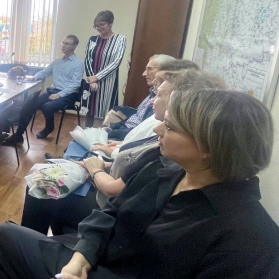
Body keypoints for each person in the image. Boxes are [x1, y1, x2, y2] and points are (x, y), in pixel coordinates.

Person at [0, 88, 279, 279]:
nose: (158, 129)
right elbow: (110, 213)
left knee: (2, 243)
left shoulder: (251, 242)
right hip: (95, 263)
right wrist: (81, 258)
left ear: (207, 147)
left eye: (171, 126)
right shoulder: (168, 169)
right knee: (3, 256)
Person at [21, 70, 225, 235]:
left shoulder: (166, 156)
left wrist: (95, 169)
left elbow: (115, 195)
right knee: (49, 178)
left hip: (107, 203)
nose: (153, 99)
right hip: (109, 190)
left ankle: (35, 245)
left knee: (41, 186)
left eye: (159, 94)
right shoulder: (169, 153)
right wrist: (100, 165)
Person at [3, 35, 84, 143]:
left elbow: (75, 84)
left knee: (47, 107)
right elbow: (45, 72)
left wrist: (59, 95)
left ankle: (49, 127)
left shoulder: (78, 64)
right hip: (53, 91)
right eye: (63, 43)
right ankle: (18, 135)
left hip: (68, 95)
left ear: (74, 46)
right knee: (29, 104)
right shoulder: (57, 61)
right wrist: (35, 77)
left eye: (67, 44)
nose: (63, 45)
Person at [106, 54, 175, 140]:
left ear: (164, 71)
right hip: (125, 130)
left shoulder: (161, 104)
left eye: (149, 69)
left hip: (128, 137)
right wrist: (115, 127)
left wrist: (112, 133)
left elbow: (141, 132)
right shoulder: (152, 92)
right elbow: (136, 118)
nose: (144, 74)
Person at [83, 11, 126, 120]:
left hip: (108, 82)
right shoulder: (93, 39)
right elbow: (88, 59)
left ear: (110, 24)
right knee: (89, 109)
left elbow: (116, 62)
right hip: (91, 81)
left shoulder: (120, 39)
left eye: (101, 24)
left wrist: (97, 77)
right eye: (96, 25)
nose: (98, 28)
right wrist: (92, 79)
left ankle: (104, 130)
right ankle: (87, 130)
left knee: (107, 111)